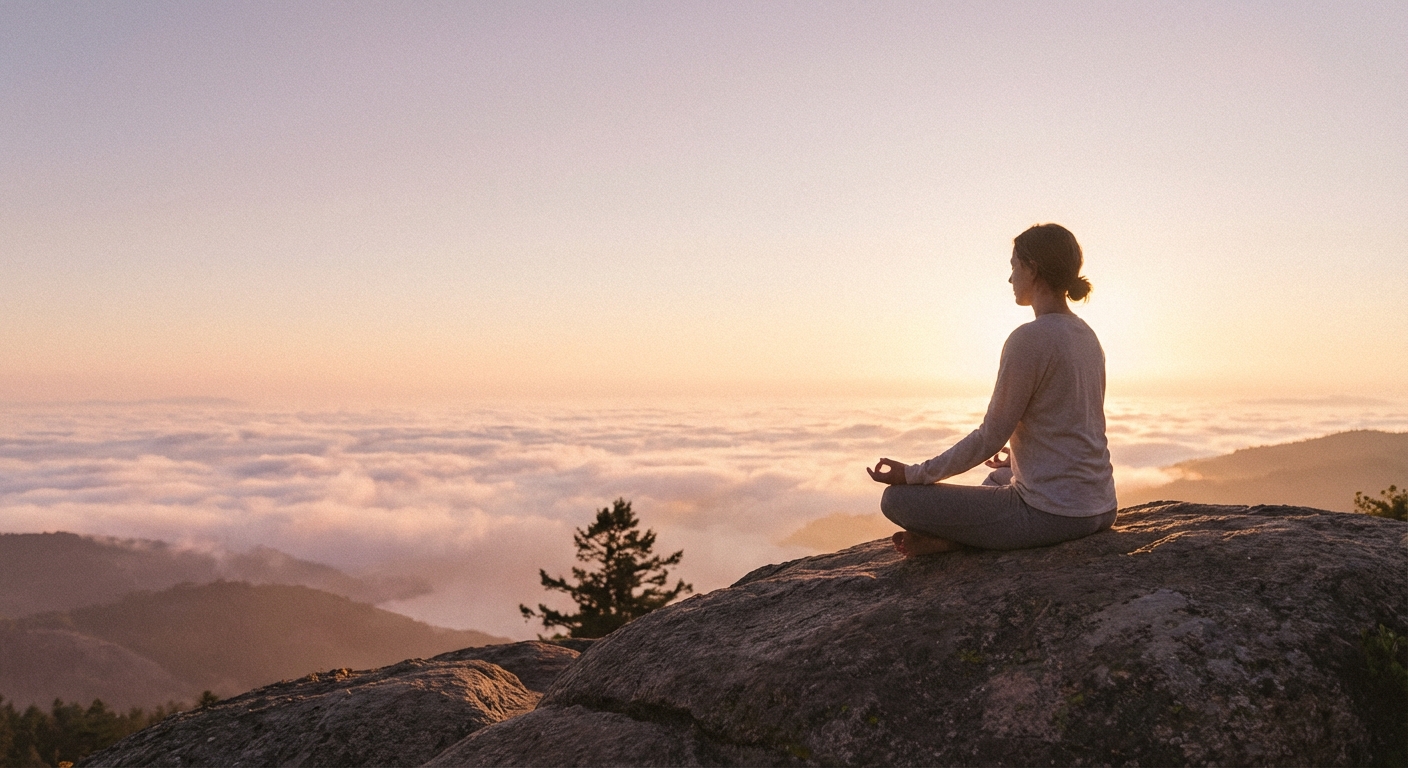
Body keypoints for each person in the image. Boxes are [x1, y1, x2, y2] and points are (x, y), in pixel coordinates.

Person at [867, 223, 1117, 557]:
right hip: (1101, 507)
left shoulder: (1029, 338)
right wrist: (1020, 460)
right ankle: (955, 537)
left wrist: (913, 474)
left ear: (1033, 269)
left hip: (1053, 516)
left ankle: (952, 540)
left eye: (1014, 267)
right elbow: (1077, 421)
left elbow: (989, 436)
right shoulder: (1087, 335)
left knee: (897, 500)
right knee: (1000, 480)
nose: (1011, 278)